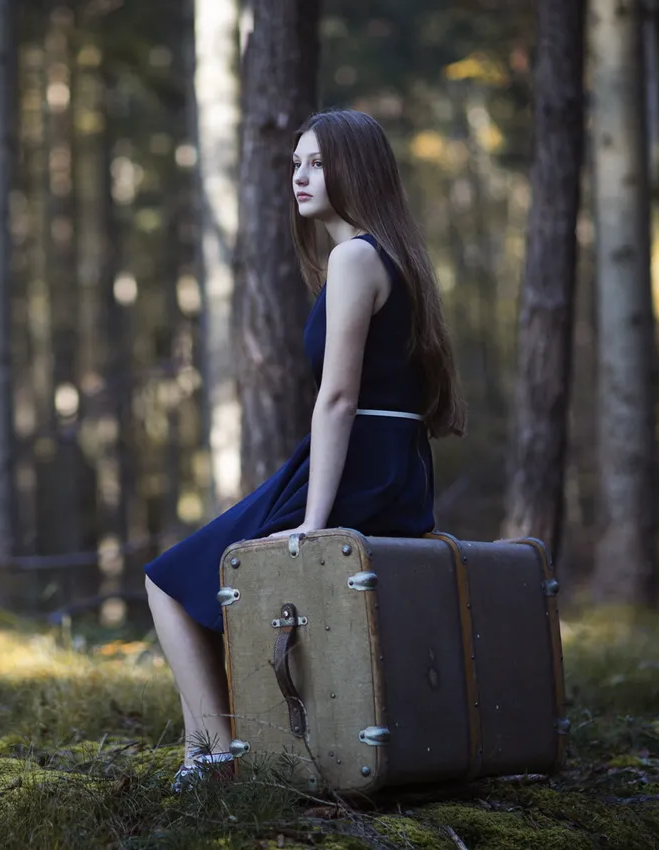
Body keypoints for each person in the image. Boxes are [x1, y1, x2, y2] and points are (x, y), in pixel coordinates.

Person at [143, 108, 467, 791]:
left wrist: (316, 522)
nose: (300, 176)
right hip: (393, 469)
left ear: (357, 169)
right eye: (295, 163)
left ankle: (212, 753)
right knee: (196, 579)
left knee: (168, 580)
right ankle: (219, 747)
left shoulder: (355, 257)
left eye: (317, 162)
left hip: (355, 471)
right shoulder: (392, 255)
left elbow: (339, 399)